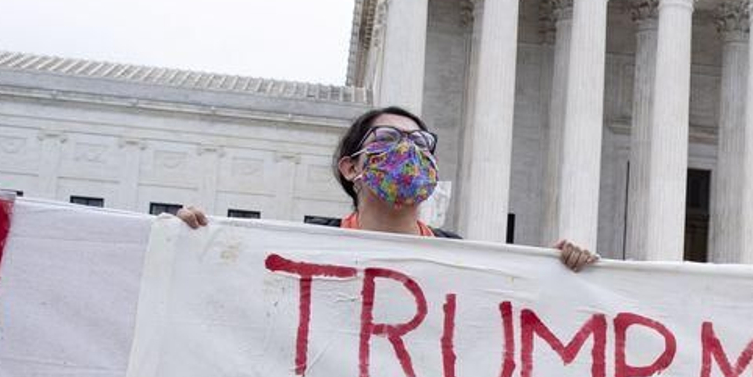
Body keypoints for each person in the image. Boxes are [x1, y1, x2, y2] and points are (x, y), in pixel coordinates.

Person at [176, 106, 597, 271]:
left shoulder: (461, 259)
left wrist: (567, 274)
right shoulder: (310, 245)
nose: (406, 151)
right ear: (351, 167)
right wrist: (184, 243)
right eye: (387, 141)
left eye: (419, 143)